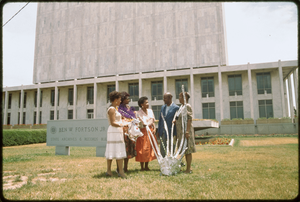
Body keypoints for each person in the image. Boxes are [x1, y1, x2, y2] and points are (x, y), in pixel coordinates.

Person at [105, 91, 129, 178]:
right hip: (114, 131)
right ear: (115, 100)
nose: (120, 101)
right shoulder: (111, 109)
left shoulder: (115, 108)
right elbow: (113, 122)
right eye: (119, 100)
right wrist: (124, 124)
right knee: (114, 149)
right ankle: (119, 172)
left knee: (117, 149)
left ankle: (112, 171)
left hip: (117, 130)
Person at [174, 92, 196, 174]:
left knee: (188, 150)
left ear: (185, 98)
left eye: (180, 97)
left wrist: (187, 131)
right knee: (182, 150)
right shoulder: (181, 107)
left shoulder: (187, 106)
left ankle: (188, 168)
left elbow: (189, 119)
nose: (179, 99)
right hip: (180, 132)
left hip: (186, 131)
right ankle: (183, 167)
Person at [116, 91, 137, 173]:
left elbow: (132, 118)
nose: (129, 100)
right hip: (121, 131)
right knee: (121, 150)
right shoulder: (118, 108)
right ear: (122, 99)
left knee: (127, 150)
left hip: (129, 131)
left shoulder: (128, 108)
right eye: (127, 98)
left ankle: (125, 168)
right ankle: (118, 168)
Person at [135, 96, 157, 171]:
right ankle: (142, 167)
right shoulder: (138, 113)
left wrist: (154, 128)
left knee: (149, 149)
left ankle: (147, 166)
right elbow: (138, 124)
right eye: (146, 102)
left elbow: (153, 121)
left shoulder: (150, 111)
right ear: (142, 104)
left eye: (148, 102)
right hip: (143, 132)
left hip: (150, 131)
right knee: (142, 149)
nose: (148, 104)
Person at [157, 92, 179, 157]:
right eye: (163, 98)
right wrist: (159, 131)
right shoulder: (162, 107)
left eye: (165, 98)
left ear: (170, 98)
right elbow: (160, 120)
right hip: (162, 132)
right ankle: (164, 164)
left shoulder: (176, 108)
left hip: (171, 132)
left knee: (172, 148)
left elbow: (178, 121)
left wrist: (176, 133)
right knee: (162, 149)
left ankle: (172, 163)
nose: (164, 100)